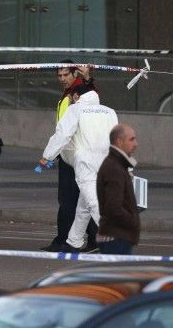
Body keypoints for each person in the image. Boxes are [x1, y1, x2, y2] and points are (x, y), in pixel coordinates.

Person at [40, 85, 118, 252]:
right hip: (107, 160)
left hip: (85, 161)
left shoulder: (76, 109)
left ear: (77, 96)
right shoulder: (109, 111)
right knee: (84, 205)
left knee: (92, 202)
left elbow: (62, 134)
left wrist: (48, 156)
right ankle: (73, 241)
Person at [40, 59, 99, 253]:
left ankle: (65, 240)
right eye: (59, 75)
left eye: (66, 74)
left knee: (69, 200)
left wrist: (88, 77)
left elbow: (92, 95)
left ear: (75, 75)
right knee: (82, 200)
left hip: (76, 155)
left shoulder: (78, 91)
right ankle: (89, 240)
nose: (62, 79)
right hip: (70, 153)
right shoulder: (68, 93)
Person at [97, 124, 140, 255]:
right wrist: (133, 220)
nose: (136, 144)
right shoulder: (114, 168)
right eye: (131, 139)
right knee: (116, 275)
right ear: (119, 142)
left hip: (117, 235)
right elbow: (113, 207)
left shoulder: (117, 164)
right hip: (116, 237)